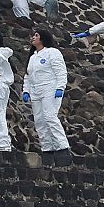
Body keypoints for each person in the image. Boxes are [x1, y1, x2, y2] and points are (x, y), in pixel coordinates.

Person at [23, 29, 70, 161]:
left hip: (50, 89)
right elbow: (28, 76)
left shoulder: (52, 53)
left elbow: (61, 72)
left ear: (43, 38)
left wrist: (60, 87)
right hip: (36, 91)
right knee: (39, 120)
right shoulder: (32, 57)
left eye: (36, 35)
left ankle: (62, 147)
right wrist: (26, 90)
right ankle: (47, 148)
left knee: (50, 117)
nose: (33, 38)